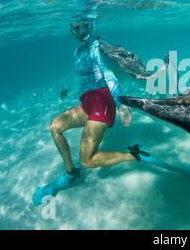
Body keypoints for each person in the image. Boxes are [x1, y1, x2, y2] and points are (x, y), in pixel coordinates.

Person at [49, 20, 142, 180]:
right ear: (71, 30)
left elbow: (109, 75)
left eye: (84, 25)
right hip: (88, 102)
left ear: (91, 25)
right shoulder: (78, 51)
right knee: (55, 127)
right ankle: (71, 171)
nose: (80, 31)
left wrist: (121, 105)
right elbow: (85, 78)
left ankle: (135, 155)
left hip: (102, 101)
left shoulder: (96, 46)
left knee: (87, 160)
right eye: (76, 27)